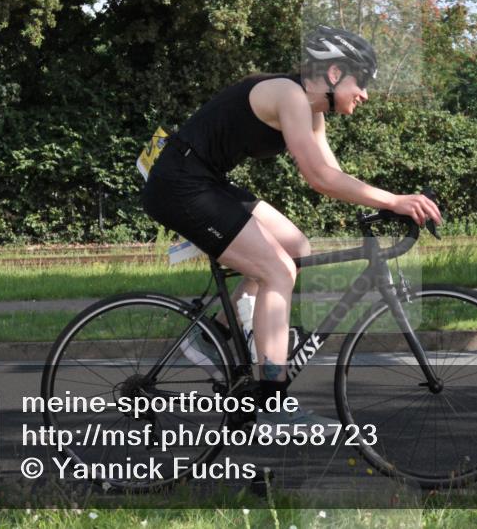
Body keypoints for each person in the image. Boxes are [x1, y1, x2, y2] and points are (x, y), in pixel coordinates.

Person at [142, 26, 443, 427]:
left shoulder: (313, 110)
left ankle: (215, 336)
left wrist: (391, 203)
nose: (365, 94)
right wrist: (394, 200)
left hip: (205, 180)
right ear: (335, 74)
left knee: (297, 247)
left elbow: (333, 174)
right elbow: (318, 176)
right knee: (277, 270)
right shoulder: (291, 97)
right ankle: (270, 398)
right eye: (363, 81)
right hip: (181, 184)